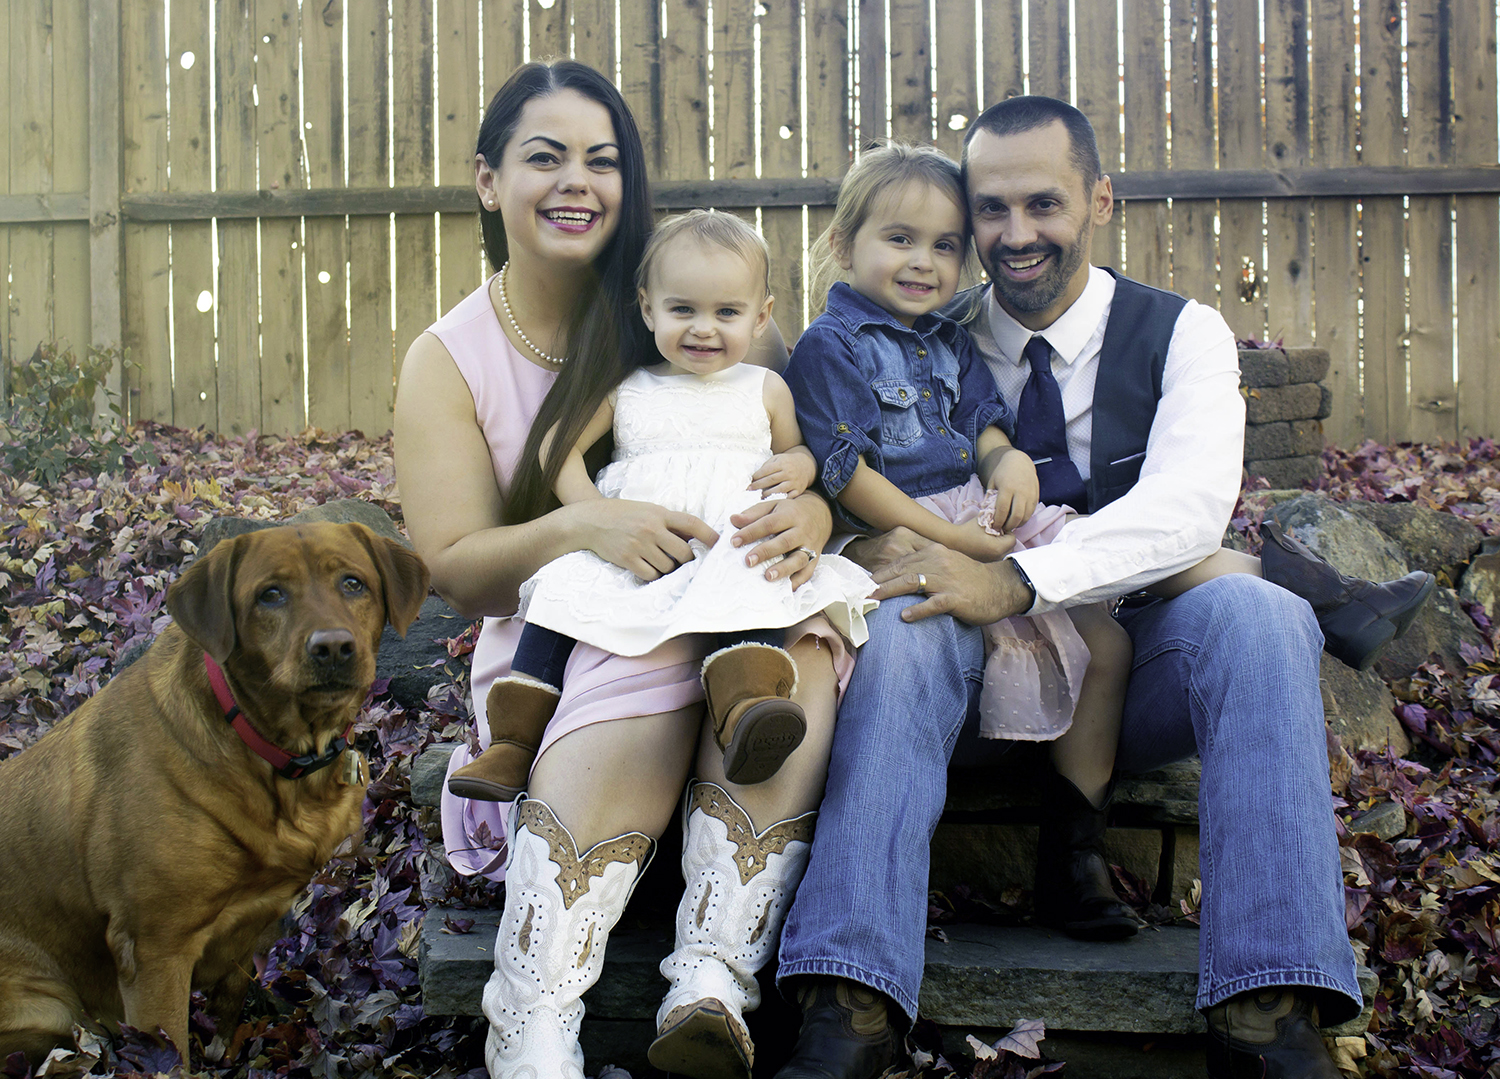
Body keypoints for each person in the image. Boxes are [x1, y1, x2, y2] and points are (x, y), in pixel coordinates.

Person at [771, 97, 1431, 1079]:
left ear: (1100, 199)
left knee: (1260, 614)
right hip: (947, 666)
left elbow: (1189, 509)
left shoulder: (1182, 335)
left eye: (1044, 202)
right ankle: (849, 997)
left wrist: (1017, 577)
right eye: (990, 209)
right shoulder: (920, 326)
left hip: (1121, 665)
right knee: (909, 617)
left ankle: (1270, 1009)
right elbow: (828, 445)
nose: (1014, 233)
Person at [393, 60, 853, 1079]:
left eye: (602, 160)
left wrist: (813, 505)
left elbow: (776, 438)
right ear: (487, 180)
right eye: (544, 157)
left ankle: (713, 979)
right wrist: (586, 526)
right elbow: (459, 571)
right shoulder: (451, 356)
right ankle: (534, 1018)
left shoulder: (697, 280)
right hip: (579, 617)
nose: (577, 182)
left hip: (731, 587)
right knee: (639, 678)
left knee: (802, 650)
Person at [783, 141, 1140, 941]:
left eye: (946, 245)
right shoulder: (830, 346)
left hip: (976, 517)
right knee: (941, 639)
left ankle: (1074, 850)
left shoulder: (948, 338)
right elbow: (847, 472)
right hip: (898, 527)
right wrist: (943, 534)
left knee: (1107, 639)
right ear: (844, 244)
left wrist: (1007, 459)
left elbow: (980, 420)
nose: (925, 263)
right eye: (900, 239)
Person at [447, 209, 874, 803]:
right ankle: (512, 743)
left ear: (762, 317)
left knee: (749, 581)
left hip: (727, 539)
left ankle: (746, 709)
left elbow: (798, 450)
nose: (704, 328)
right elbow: (555, 447)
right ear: (648, 309)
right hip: (636, 546)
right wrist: (594, 514)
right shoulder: (630, 387)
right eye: (683, 310)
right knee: (565, 593)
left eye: (727, 312)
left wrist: (800, 468)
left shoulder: (765, 387)